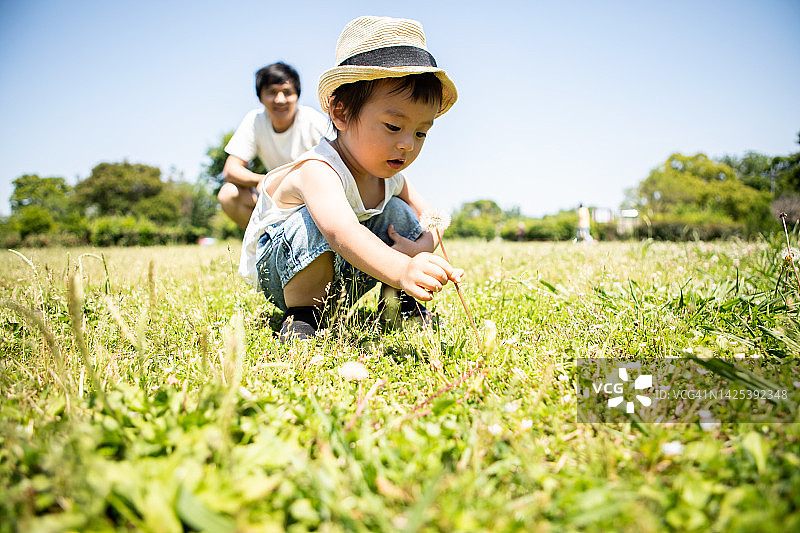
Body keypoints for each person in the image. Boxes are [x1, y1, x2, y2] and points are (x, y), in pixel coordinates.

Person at [239, 15, 462, 342]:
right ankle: (303, 317)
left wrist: (417, 248)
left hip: (347, 276)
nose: (407, 144)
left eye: (420, 132)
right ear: (341, 113)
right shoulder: (318, 169)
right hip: (287, 275)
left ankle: (397, 304)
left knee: (399, 215)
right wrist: (401, 268)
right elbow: (341, 232)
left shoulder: (391, 177)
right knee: (312, 222)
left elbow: (434, 220)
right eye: (393, 126)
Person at [218, 62, 330, 229]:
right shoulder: (255, 121)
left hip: (312, 195)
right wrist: (264, 180)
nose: (280, 100)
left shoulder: (313, 121)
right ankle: (263, 244)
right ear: (260, 97)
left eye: (287, 92)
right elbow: (231, 169)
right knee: (228, 194)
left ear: (297, 96)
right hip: (274, 194)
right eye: (271, 92)